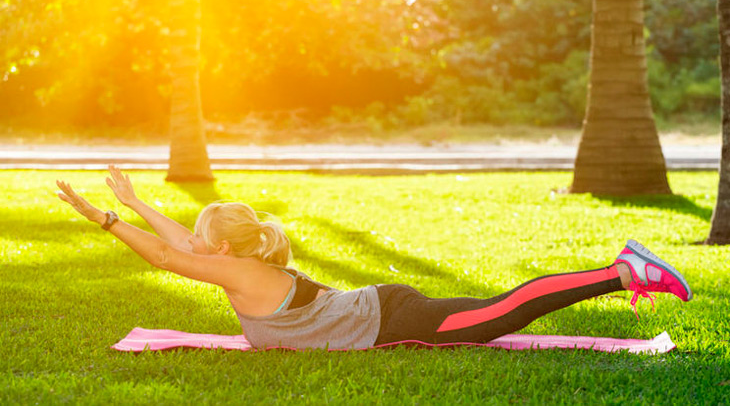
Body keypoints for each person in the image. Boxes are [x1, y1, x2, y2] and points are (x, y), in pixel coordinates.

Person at [55, 165, 693, 350]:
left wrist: (109, 217)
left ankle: (619, 269)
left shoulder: (235, 270)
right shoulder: (236, 261)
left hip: (394, 320)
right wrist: (137, 202)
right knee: (500, 312)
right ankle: (619, 268)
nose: (191, 241)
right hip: (383, 307)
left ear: (220, 249)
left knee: (501, 315)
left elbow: (170, 257)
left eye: (201, 237)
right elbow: (177, 242)